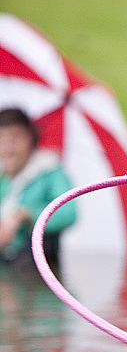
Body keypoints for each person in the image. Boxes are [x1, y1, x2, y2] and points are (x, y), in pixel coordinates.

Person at [0, 108, 76, 269]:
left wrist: (26, 215)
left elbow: (69, 211)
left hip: (37, 261)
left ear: (31, 138)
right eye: (2, 138)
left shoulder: (48, 170)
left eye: (16, 138)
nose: (9, 146)